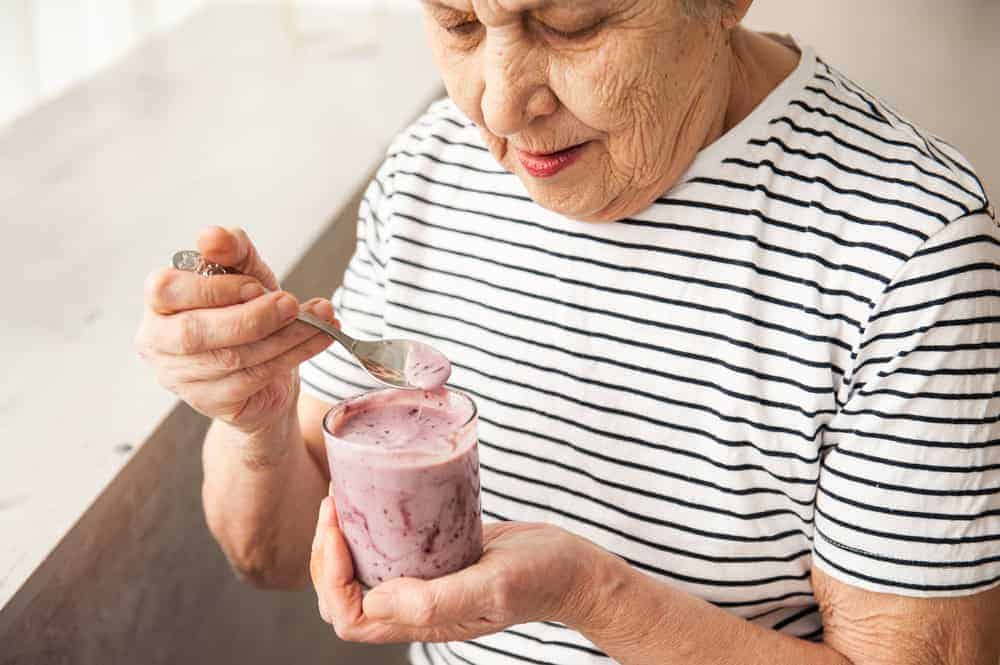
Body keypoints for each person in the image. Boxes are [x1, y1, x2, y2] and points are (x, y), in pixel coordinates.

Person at [136, 0, 1000, 663]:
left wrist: (591, 595)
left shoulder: (910, 251)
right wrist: (255, 420)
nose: (502, 107)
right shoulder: (431, 168)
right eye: (460, 22)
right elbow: (275, 552)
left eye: (572, 22)